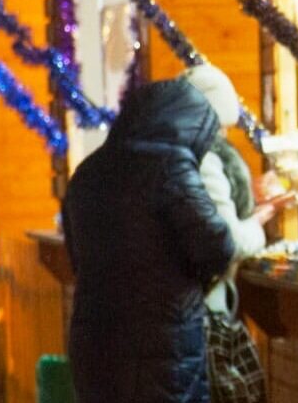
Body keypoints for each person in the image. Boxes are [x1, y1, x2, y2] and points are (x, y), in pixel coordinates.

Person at [63, 77, 235, 403]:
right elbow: (218, 247)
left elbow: (76, 257)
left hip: (94, 343)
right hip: (161, 343)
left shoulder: (87, 172)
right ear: (190, 125)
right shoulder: (171, 167)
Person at [183, 64, 294, 403]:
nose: (226, 135)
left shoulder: (181, 156)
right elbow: (228, 240)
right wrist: (261, 218)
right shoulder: (206, 160)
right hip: (207, 311)